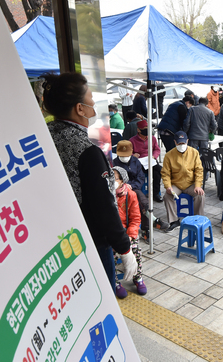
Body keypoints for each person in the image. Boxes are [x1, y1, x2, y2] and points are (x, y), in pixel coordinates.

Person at [41, 72, 137, 299]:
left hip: (58, 238)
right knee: (99, 299)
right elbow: (104, 206)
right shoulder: (89, 152)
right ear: (80, 109)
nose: (94, 104)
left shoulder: (45, 137)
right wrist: (124, 249)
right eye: (91, 99)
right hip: (90, 241)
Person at [113, 140, 168, 241]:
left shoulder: (135, 161)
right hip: (120, 190)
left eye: (127, 154)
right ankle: (152, 223)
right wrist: (124, 185)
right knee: (142, 202)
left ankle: (148, 226)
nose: (124, 157)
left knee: (142, 202)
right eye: (122, 155)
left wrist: (131, 185)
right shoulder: (114, 164)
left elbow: (141, 177)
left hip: (134, 188)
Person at [111, 166, 147, 295]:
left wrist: (130, 236)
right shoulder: (106, 195)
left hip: (127, 232)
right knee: (111, 254)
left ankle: (138, 277)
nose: (112, 181)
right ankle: (114, 281)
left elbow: (135, 218)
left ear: (122, 181)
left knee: (136, 250)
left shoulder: (130, 195)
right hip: (112, 233)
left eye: (115, 179)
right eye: (111, 178)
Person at [161, 131, 205, 232]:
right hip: (176, 184)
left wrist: (198, 185)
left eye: (183, 143)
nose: (182, 145)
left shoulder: (194, 152)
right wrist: (168, 186)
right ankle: (174, 221)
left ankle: (198, 219)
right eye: (179, 143)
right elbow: (165, 173)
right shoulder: (169, 155)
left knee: (200, 195)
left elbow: (199, 170)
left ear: (187, 141)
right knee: (167, 196)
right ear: (175, 142)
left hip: (190, 184)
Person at [129, 120, 164, 202]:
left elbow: (157, 149)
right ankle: (139, 193)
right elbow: (129, 152)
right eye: (144, 129)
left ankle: (155, 193)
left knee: (158, 171)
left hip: (150, 160)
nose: (147, 130)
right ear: (138, 130)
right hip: (139, 162)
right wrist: (133, 156)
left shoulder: (152, 138)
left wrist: (154, 156)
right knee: (138, 174)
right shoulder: (132, 140)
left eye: (148, 128)